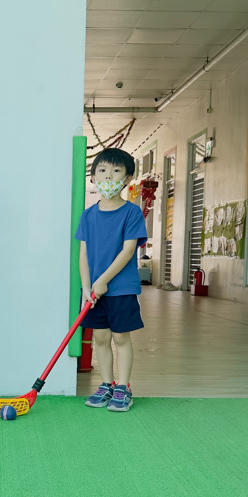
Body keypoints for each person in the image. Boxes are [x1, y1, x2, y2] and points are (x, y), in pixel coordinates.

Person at [76, 147, 147, 412]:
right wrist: (86, 286)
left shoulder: (132, 213)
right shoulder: (88, 215)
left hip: (120, 288)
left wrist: (103, 280)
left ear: (127, 178)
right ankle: (107, 384)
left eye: (116, 171)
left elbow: (128, 250)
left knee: (120, 338)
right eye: (102, 170)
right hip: (95, 290)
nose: (108, 176)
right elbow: (84, 253)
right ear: (93, 176)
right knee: (101, 338)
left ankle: (123, 388)